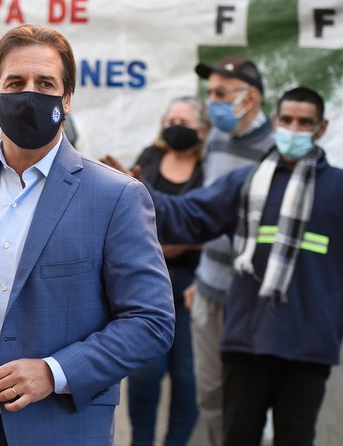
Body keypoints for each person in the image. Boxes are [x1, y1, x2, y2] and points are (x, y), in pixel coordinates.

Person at [0, 24, 175, 445]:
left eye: (45, 83)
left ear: (66, 100)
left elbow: (150, 321)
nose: (29, 93)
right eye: (15, 82)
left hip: (61, 426)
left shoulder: (116, 196)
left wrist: (54, 371)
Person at [150, 86, 343, 446]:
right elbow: (188, 216)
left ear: (321, 128)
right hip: (248, 341)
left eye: (305, 123)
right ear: (275, 122)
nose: (294, 129)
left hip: (308, 348)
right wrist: (134, 190)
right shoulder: (245, 183)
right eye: (287, 120)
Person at [187, 55, 273, 446]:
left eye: (222, 93)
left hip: (251, 300)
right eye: (210, 94)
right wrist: (201, 274)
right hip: (207, 292)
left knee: (250, 404)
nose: (213, 102)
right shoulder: (216, 139)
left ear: (250, 97)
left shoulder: (276, 149)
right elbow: (209, 209)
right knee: (210, 397)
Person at [118, 96, 209, 446]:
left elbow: (216, 222)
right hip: (148, 281)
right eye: (170, 120)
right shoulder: (150, 158)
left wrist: (184, 243)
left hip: (191, 286)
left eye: (184, 122)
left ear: (201, 130)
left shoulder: (208, 167)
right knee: (144, 374)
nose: (175, 127)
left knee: (187, 378)